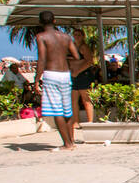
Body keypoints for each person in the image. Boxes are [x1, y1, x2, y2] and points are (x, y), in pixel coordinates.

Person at [35, 10, 79, 151]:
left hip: (51, 74)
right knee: (67, 110)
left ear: (41, 23)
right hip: (65, 74)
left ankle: (67, 144)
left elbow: (41, 59)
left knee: (57, 111)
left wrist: (37, 79)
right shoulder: (66, 37)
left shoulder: (42, 37)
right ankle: (71, 141)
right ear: (55, 21)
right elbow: (76, 56)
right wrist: (63, 58)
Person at [70, 29, 98, 128]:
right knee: (74, 100)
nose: (76, 36)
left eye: (78, 35)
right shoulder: (72, 47)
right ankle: (76, 122)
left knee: (86, 99)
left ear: (83, 36)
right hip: (73, 75)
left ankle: (90, 122)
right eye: (75, 35)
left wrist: (77, 71)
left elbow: (90, 61)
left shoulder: (84, 47)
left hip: (83, 75)